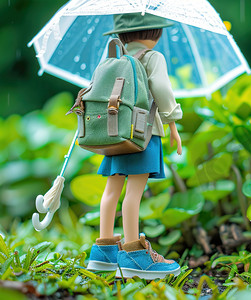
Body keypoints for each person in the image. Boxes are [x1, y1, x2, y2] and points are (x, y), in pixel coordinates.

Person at [86, 13, 183, 280]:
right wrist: (173, 122)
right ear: (155, 33)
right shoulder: (154, 58)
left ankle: (103, 251)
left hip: (114, 134)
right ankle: (133, 256)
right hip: (142, 135)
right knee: (134, 195)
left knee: (111, 190)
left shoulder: (114, 58)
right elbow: (161, 88)